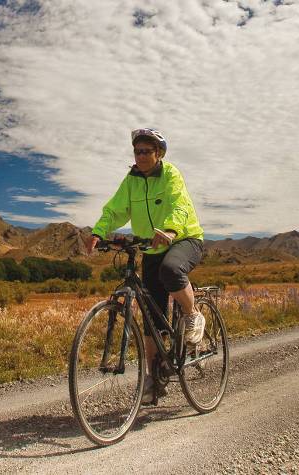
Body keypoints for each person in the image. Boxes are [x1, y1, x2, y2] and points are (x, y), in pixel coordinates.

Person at [86, 128, 206, 403]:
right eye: (136, 151)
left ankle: (192, 313)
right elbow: (116, 209)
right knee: (152, 318)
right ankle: (155, 377)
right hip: (152, 247)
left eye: (145, 151)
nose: (139, 156)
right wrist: (99, 232)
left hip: (184, 239)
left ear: (159, 153)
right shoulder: (132, 180)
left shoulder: (171, 175)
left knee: (170, 270)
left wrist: (171, 229)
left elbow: (180, 206)